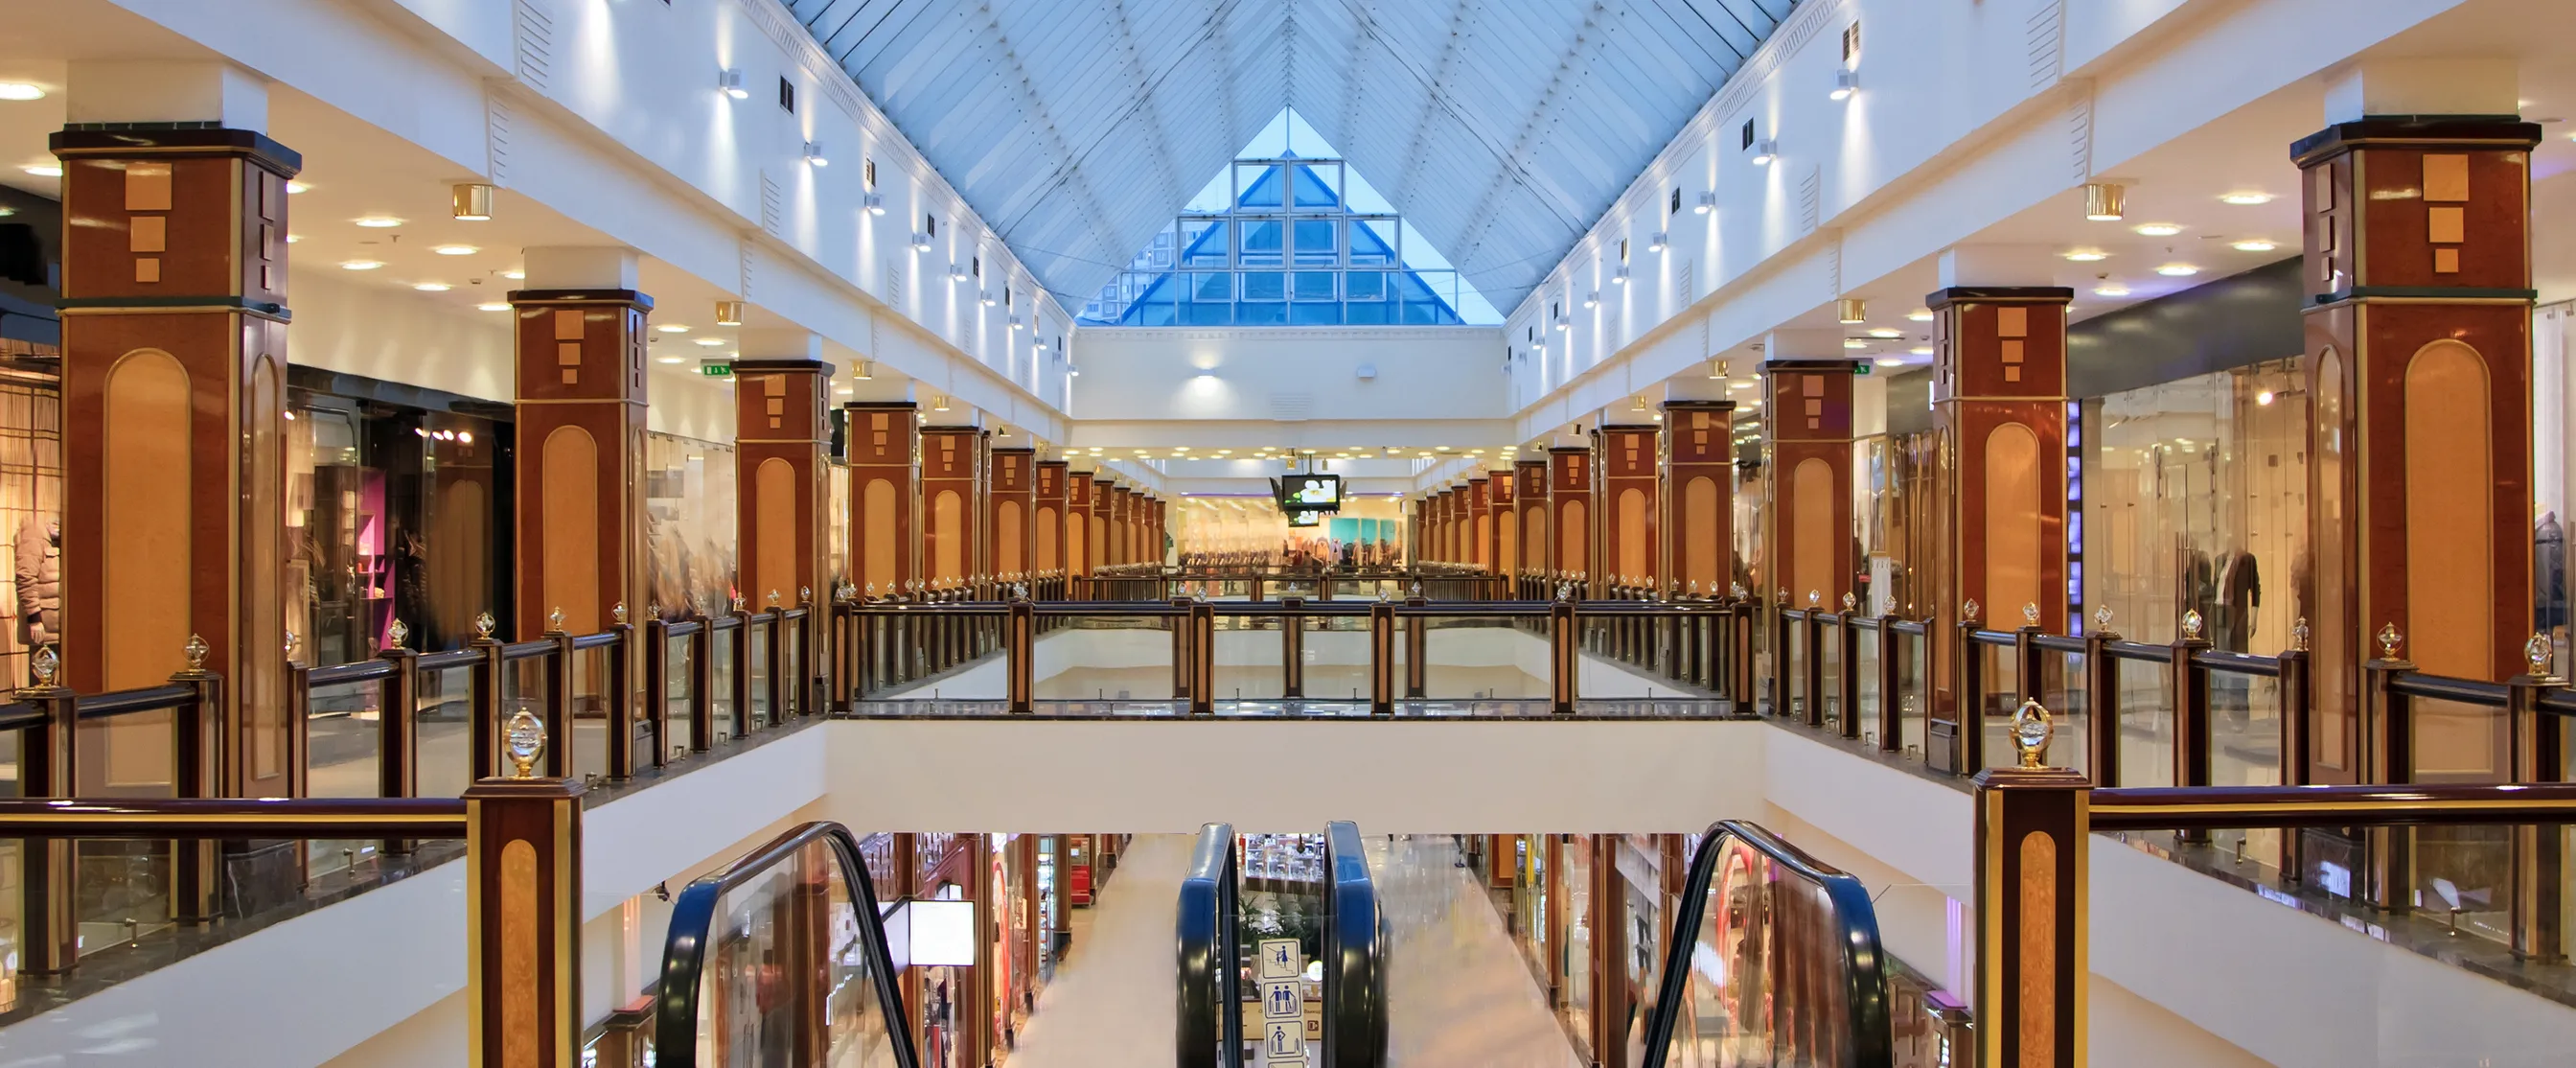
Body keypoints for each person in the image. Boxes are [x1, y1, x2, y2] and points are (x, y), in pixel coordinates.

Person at [13, 513, 57, 665]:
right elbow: (25, 576)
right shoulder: (34, 530)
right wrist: (34, 618)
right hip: (46, 631)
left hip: (63, 630)